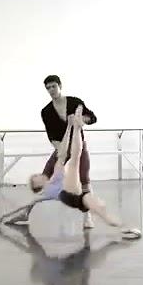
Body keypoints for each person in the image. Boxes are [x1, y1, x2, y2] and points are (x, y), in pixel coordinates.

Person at [0, 106, 141, 240]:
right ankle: (78, 127)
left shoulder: (56, 172)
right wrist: (3, 218)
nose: (38, 175)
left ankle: (127, 229)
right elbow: (23, 206)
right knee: (75, 159)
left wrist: (69, 127)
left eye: (36, 175)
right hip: (70, 195)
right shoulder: (46, 192)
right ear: (37, 185)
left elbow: (62, 150)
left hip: (82, 198)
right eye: (36, 178)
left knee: (105, 214)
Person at [0, 225, 136, 285]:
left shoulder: (45, 270)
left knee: (105, 249)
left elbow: (25, 248)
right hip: (77, 262)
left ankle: (121, 240)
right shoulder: (45, 270)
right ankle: (122, 240)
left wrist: (8, 236)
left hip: (75, 261)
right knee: (105, 249)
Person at [41, 74, 96, 229]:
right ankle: (27, 210)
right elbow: (50, 134)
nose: (51, 90)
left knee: (84, 179)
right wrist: (59, 150)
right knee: (45, 176)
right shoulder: (46, 111)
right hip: (62, 148)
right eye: (48, 88)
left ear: (60, 86)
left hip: (79, 146)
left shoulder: (75, 102)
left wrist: (81, 120)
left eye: (53, 86)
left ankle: (88, 217)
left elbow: (92, 117)